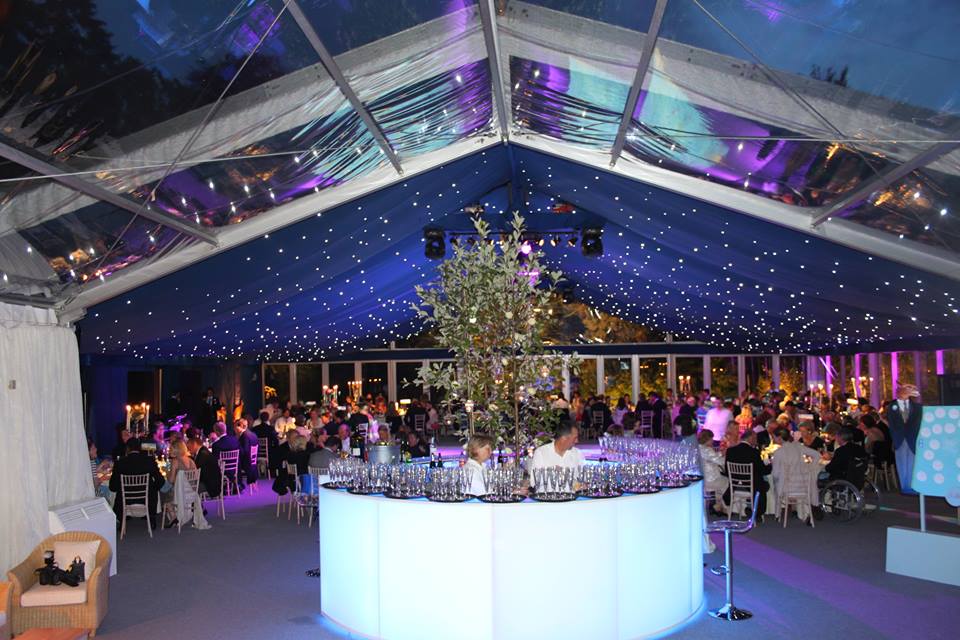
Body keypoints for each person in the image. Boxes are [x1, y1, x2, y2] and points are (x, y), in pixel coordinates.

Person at [109, 438, 164, 528]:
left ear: (127, 449)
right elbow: (160, 481)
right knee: (153, 489)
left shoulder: (120, 463)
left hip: (125, 500)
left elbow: (113, 487)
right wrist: (153, 488)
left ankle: (121, 519)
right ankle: (151, 517)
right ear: (140, 448)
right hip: (147, 500)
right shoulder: (149, 461)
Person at [722, 422, 771, 519]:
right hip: (751, 484)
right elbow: (763, 470)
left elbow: (727, 470)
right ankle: (757, 512)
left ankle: (748, 507)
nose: (756, 441)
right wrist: (769, 465)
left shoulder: (731, 451)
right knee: (765, 485)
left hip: (735, 483)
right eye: (755, 439)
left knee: (759, 482)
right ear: (750, 438)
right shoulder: (754, 452)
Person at [886, 384, 922, 494]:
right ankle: (904, 486)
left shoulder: (917, 407)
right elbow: (891, 423)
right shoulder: (892, 406)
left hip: (912, 438)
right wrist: (895, 436)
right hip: (899, 438)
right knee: (901, 462)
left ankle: (911, 486)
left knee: (912, 462)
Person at [529, 420, 585, 487]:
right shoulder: (541, 453)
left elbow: (583, 479)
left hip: (572, 495)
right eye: (575, 438)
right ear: (564, 438)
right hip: (548, 496)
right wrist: (553, 473)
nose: (577, 441)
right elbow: (534, 482)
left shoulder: (577, 453)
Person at [161, 440, 197, 527]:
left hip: (180, 491)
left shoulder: (175, 461)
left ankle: (173, 516)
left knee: (162, 490)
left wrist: (167, 473)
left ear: (176, 450)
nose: (169, 450)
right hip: (191, 491)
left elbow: (171, 481)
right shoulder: (191, 460)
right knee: (165, 488)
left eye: (171, 449)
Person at [697, 430, 726, 515]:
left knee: (722, 480)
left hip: (702, 479)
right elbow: (720, 462)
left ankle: (716, 506)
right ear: (707, 439)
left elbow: (712, 457)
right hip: (710, 480)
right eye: (711, 439)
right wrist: (726, 456)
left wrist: (720, 453)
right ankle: (723, 507)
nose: (713, 441)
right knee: (727, 482)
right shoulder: (708, 450)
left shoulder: (698, 448)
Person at [235, 418, 259, 491]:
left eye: (236, 426)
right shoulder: (253, 434)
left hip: (246, 463)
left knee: (235, 464)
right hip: (253, 462)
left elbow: (244, 451)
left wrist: (237, 447)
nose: (235, 429)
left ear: (241, 426)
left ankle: (238, 485)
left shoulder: (244, 436)